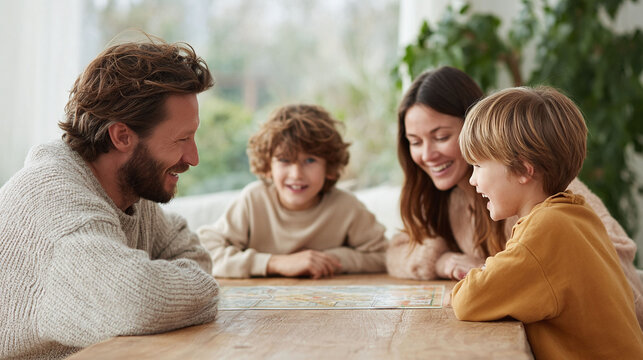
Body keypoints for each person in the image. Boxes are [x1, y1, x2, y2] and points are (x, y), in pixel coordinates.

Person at [0, 36, 219, 359]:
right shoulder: (57, 204)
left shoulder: (127, 194)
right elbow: (137, 301)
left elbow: (188, 251)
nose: (193, 157)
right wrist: (201, 290)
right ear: (122, 136)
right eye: (182, 138)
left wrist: (180, 287)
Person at [385, 66, 643, 327]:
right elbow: (394, 251)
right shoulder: (446, 199)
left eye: (441, 137)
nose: (427, 154)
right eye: (415, 142)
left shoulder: (548, 194)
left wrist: (495, 273)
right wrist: (443, 261)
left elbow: (611, 272)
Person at [451, 86, 643, 358]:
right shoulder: (576, 213)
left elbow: (468, 301)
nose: (472, 180)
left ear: (523, 170)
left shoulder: (547, 229)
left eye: (479, 166)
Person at [197, 104, 388, 278]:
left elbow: (384, 255)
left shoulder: (346, 207)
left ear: (329, 166)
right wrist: (274, 263)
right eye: (284, 160)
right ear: (268, 166)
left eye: (310, 160)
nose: (296, 174)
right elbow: (204, 252)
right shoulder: (253, 200)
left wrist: (331, 259)